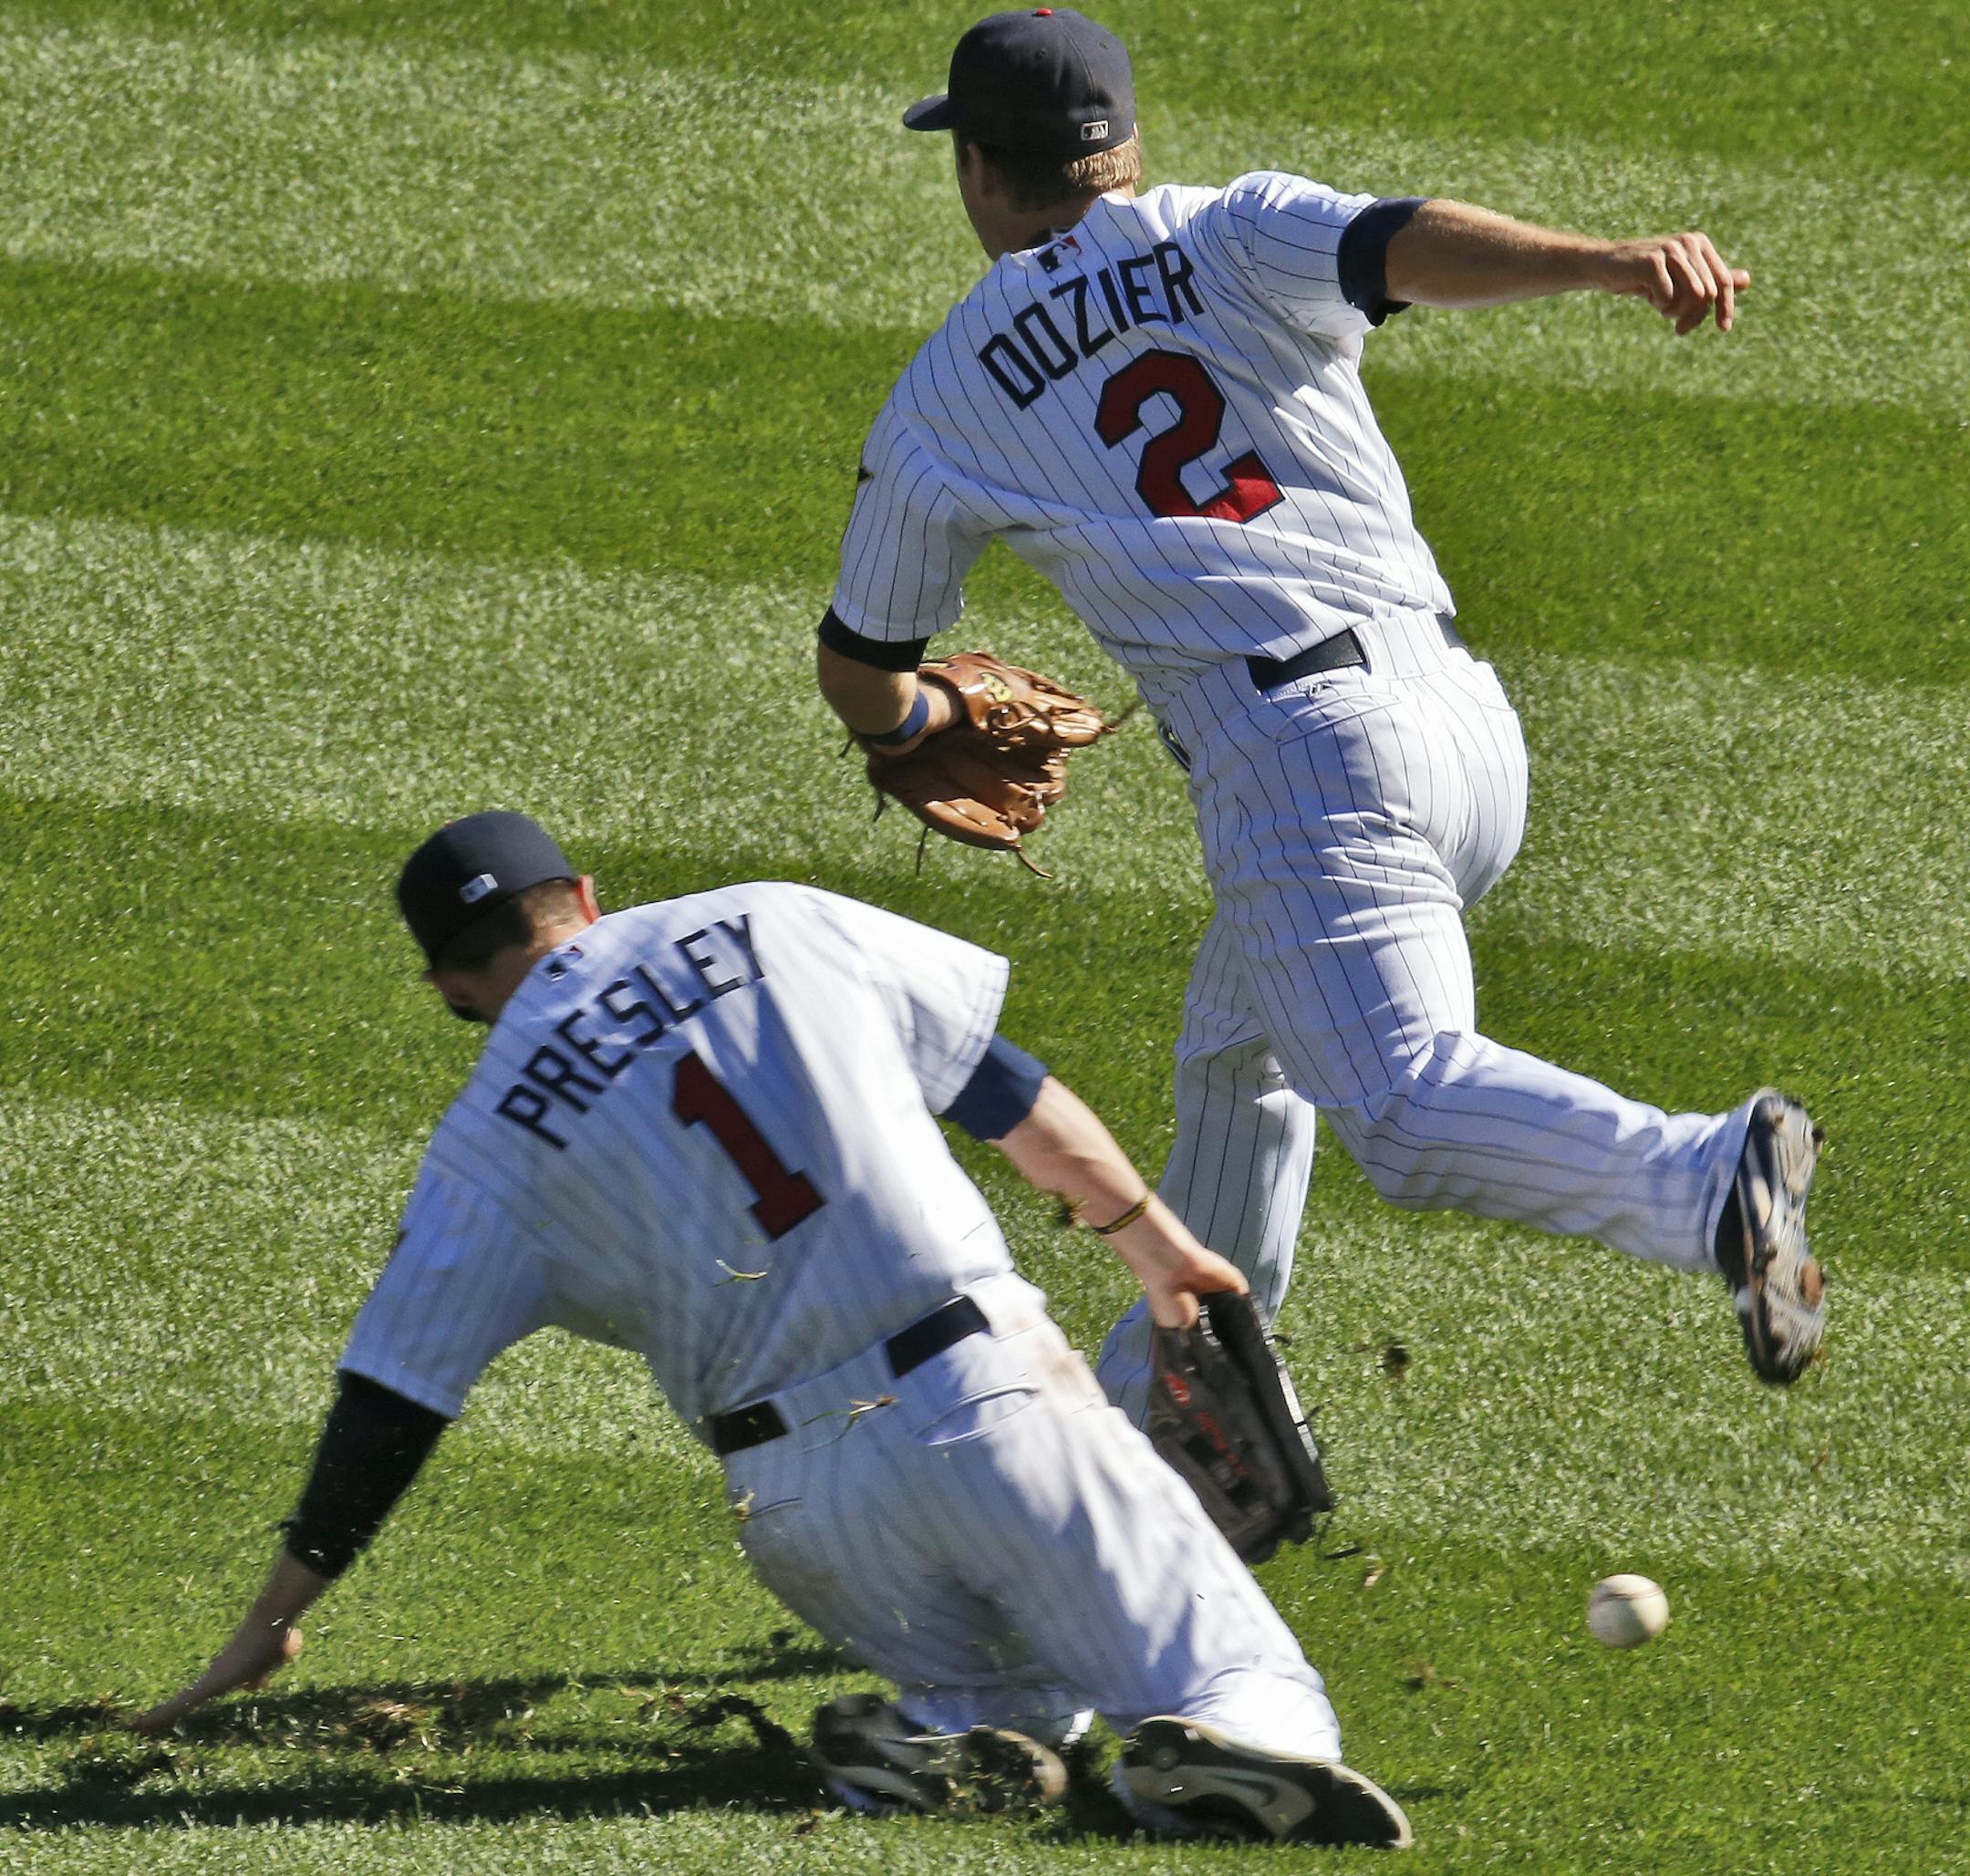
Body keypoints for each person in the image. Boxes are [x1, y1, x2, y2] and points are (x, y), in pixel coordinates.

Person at [812, 8, 1825, 1423]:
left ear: (980, 170)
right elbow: (1404, 241)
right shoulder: (1233, 226)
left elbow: (861, 663)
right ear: (1125, 144)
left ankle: (1707, 1178)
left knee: (1403, 1112)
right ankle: (1182, 1408)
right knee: (1240, 1056)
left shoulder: (943, 397)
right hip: (1465, 727)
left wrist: (912, 718)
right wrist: (1605, 263)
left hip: (1305, 763)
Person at [130, 811, 1412, 1850]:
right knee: (1245, 1682)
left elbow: (392, 1404)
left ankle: (936, 1736)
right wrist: (1154, 1240)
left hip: (799, 1507)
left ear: (450, 986)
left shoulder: (481, 1150)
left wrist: (274, 1614)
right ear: (583, 888)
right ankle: (1213, 1747)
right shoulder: (774, 917)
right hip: (988, 1394)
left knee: (1020, 1699)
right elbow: (1002, 1093)